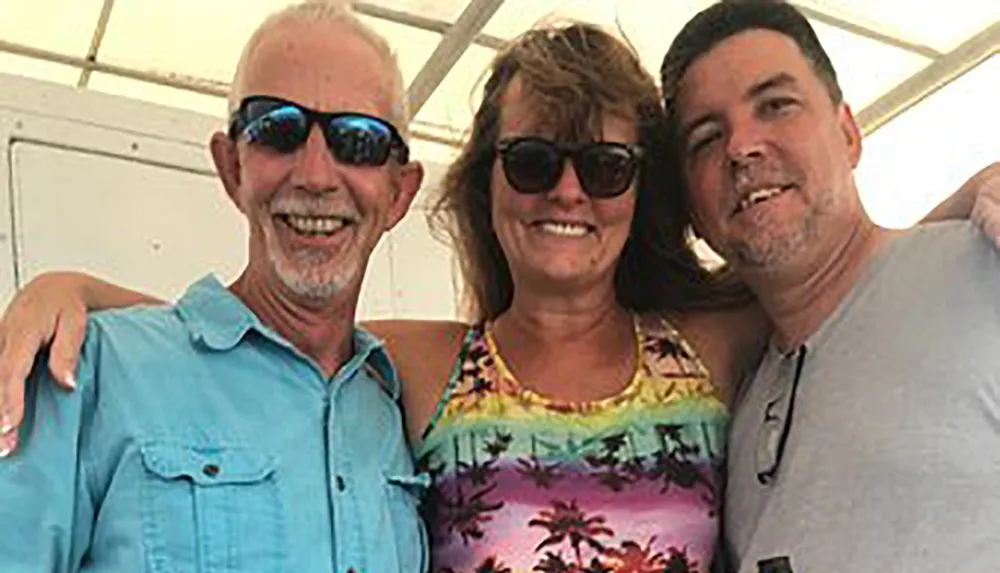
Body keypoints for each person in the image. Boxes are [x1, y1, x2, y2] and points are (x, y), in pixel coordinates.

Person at [0, 13, 997, 573]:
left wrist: (973, 198)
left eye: (604, 167)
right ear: (487, 185)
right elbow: (261, 346)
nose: (567, 191)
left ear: (638, 192)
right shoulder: (425, 366)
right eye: (531, 161)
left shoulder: (709, 344)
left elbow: (841, 272)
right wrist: (71, 287)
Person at [0, 1, 429, 571]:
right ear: (232, 167)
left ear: (400, 191)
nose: (316, 175)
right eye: (277, 129)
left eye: (360, 140)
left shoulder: (396, 404)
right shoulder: (88, 367)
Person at [658, 1, 1000, 571]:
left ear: (848, 133)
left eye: (776, 105)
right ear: (692, 208)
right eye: (706, 137)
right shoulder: (729, 409)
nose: (741, 147)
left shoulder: (982, 274)